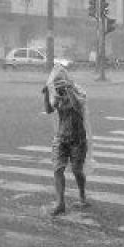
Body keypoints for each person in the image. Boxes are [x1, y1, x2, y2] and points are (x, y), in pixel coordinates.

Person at [42, 63, 89, 216]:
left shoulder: (78, 91)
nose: (58, 85)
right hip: (61, 137)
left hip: (78, 138)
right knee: (58, 169)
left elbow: (77, 106)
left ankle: (82, 195)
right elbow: (49, 110)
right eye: (56, 83)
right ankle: (60, 203)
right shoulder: (58, 94)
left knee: (77, 170)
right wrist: (46, 94)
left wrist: (69, 89)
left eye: (60, 81)